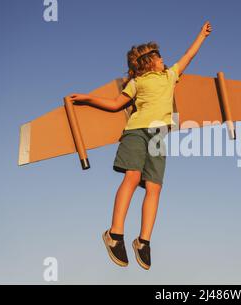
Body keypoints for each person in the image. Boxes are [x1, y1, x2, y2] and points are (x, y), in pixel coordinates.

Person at [68, 21, 212, 269]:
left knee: (154, 188)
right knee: (132, 178)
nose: (163, 58)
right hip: (136, 132)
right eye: (158, 56)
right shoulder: (137, 83)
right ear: (148, 61)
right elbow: (116, 104)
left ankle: (143, 241)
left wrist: (202, 35)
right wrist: (88, 98)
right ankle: (114, 234)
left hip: (158, 136)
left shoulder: (170, 76)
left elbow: (189, 55)